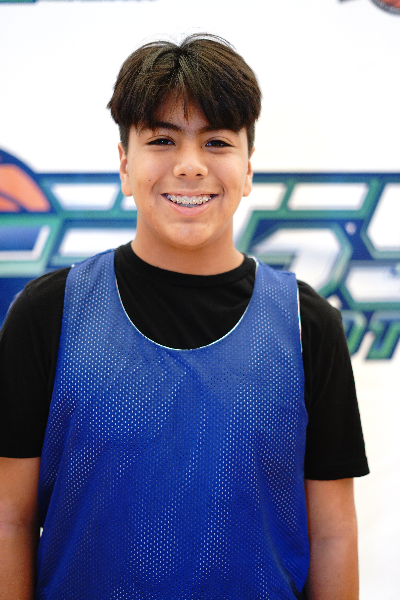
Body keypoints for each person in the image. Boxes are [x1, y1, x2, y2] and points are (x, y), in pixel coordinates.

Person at [0, 34, 369, 600]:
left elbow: (334, 533)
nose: (191, 166)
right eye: (162, 140)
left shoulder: (306, 324)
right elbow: (11, 519)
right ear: (125, 164)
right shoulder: (48, 314)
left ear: (248, 167)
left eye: (217, 141)